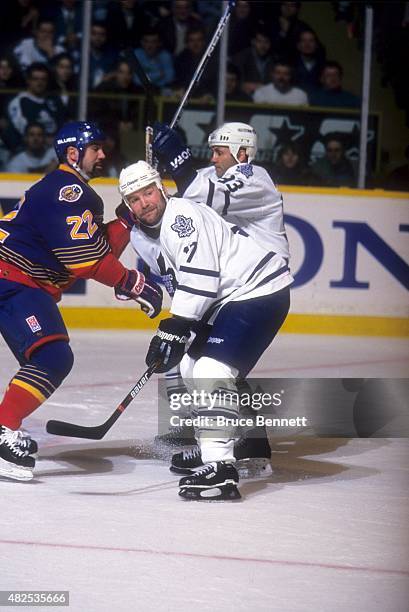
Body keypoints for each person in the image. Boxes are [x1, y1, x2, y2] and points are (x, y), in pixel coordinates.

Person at [118, 160, 293, 501]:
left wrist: (172, 328)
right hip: (231, 298)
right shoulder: (147, 233)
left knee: (212, 369)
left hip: (257, 291)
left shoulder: (181, 217)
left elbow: (200, 280)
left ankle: (221, 468)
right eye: (135, 200)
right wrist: (177, 331)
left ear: (161, 189)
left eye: (149, 193)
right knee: (189, 366)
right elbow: (186, 282)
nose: (145, 203)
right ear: (128, 206)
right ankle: (244, 445)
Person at [0, 121, 162, 482]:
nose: (102, 154)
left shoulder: (70, 190)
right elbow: (85, 262)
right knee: (52, 357)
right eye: (95, 148)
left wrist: (127, 218)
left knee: (49, 357)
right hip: (12, 280)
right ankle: (2, 430)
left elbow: (95, 248)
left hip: (18, 282)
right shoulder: (68, 191)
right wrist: (132, 281)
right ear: (73, 154)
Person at [5, 62, 67, 151]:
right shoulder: (19, 101)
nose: (39, 82)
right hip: (27, 149)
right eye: (35, 79)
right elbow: (22, 130)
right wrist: (44, 140)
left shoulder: (54, 100)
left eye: (43, 79)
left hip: (56, 148)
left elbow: (63, 122)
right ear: (28, 80)